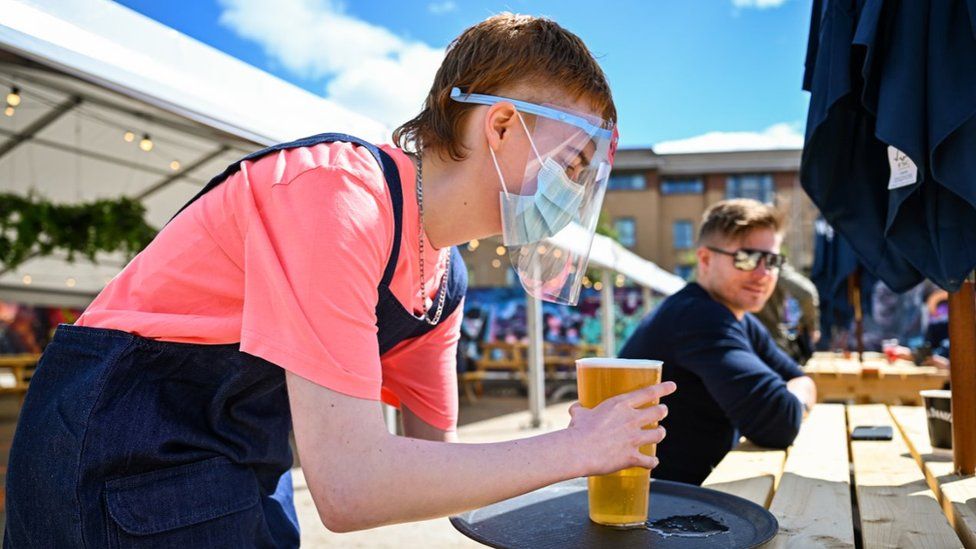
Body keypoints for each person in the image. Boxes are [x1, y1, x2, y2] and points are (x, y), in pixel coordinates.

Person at [4, 14, 676, 547]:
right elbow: (353, 487)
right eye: (574, 159)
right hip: (115, 442)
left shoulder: (444, 280)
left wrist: (569, 449)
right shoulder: (338, 193)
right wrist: (573, 448)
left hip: (234, 461)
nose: (577, 189)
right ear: (500, 124)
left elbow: (427, 469)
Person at [619, 199, 816, 485]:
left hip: (692, 495)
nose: (763, 274)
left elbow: (798, 378)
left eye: (772, 261)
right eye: (747, 258)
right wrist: (799, 400)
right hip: (660, 507)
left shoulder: (739, 319)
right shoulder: (698, 317)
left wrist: (796, 396)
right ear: (705, 259)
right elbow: (779, 423)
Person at [755, 263, 821, 364]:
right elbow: (806, 294)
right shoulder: (770, 262)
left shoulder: (729, 261)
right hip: (770, 345)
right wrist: (808, 325)